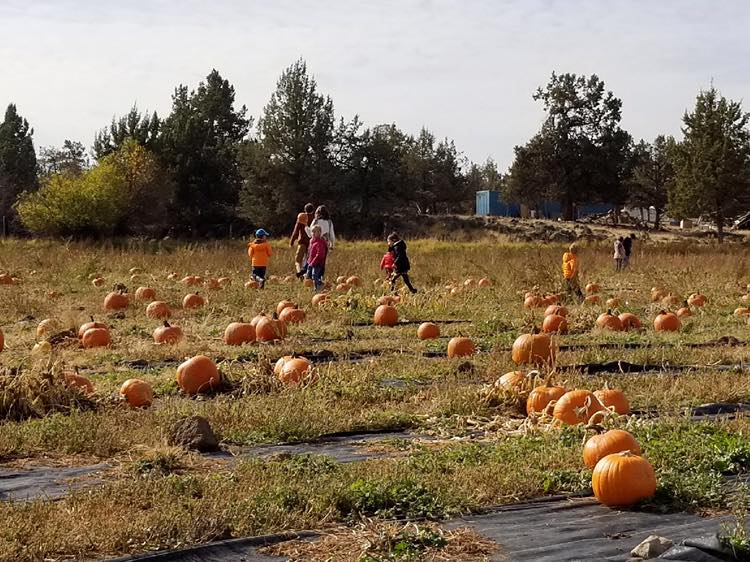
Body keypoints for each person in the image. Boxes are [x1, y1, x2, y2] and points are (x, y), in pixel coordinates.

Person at [290, 203, 315, 279]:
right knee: (309, 260)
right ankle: (307, 276)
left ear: (305, 210)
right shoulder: (315, 218)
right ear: (313, 210)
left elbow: (296, 231)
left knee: (298, 260)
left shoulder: (301, 217)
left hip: (302, 242)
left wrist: (292, 241)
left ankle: (299, 273)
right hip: (311, 243)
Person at [306, 225, 328, 292]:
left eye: (314, 232)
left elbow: (320, 254)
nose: (312, 233)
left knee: (315, 275)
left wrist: (313, 262)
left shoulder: (319, 242)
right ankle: (316, 288)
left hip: (318, 263)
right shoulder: (312, 241)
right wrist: (309, 261)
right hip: (311, 262)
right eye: (312, 232)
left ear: (319, 233)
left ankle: (321, 284)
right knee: (310, 275)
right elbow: (310, 252)